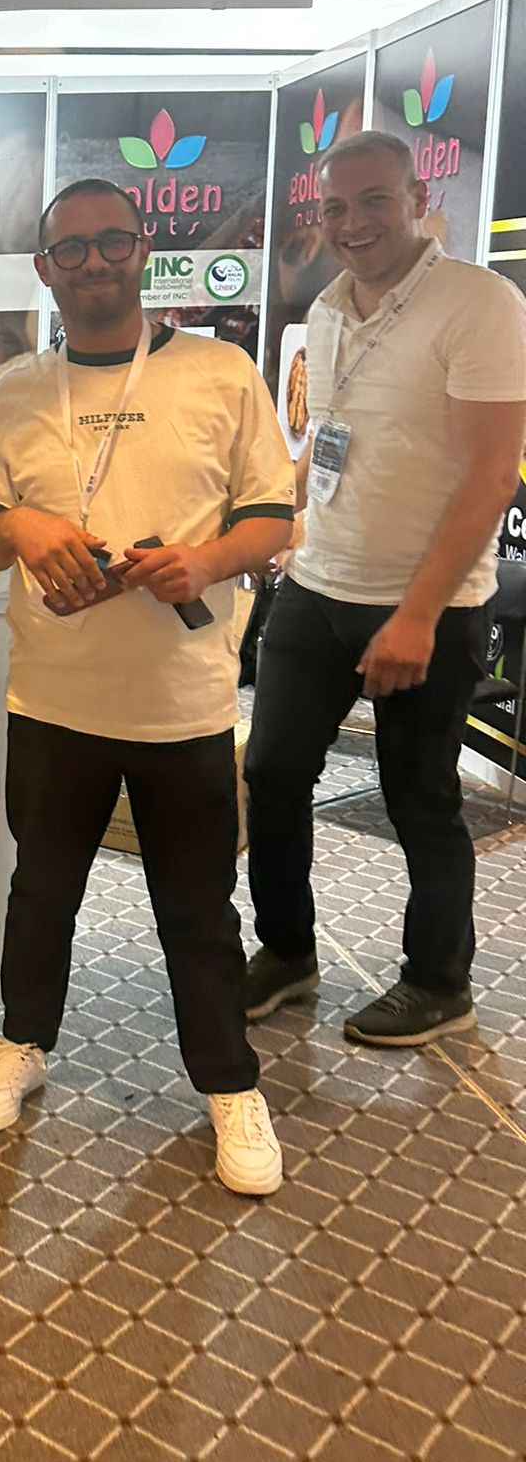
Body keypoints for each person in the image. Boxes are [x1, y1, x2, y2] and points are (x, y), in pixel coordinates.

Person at [0, 179, 294, 1196]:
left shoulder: (219, 371)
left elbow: (272, 517)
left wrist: (206, 560)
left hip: (182, 703)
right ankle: (22, 1041)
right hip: (53, 700)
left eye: (113, 242)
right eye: (72, 248)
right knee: (42, 892)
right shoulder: (17, 389)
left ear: (144, 249)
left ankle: (230, 1083)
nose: (94, 262)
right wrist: (22, 525)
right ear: (44, 267)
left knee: (197, 905)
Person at [245, 132, 526, 1046]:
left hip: (427, 605)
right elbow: (330, 440)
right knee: (272, 775)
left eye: (375, 201)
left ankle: (440, 982)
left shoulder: (479, 305)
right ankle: (287, 951)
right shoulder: (329, 307)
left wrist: (415, 615)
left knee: (419, 797)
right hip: (317, 586)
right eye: (336, 207)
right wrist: (285, 524)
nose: (354, 223)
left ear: (418, 199)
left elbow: (492, 474)